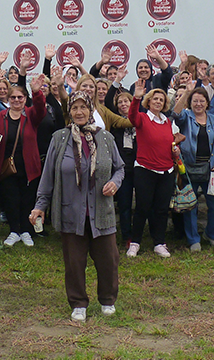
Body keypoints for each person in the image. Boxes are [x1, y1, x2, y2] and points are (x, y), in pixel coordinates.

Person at [30, 92, 125, 322]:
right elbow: (48, 175)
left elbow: (120, 168)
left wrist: (114, 182)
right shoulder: (59, 138)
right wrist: (40, 205)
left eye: (84, 107)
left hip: (101, 211)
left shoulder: (106, 139)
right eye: (75, 108)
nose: (79, 112)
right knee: (74, 262)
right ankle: (78, 302)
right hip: (70, 210)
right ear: (69, 112)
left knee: (108, 261)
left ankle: (107, 300)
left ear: (91, 110)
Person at [127, 81, 179, 258]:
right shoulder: (142, 118)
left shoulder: (167, 122)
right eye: (155, 99)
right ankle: (135, 243)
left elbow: (168, 143)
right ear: (148, 102)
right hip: (145, 170)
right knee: (142, 208)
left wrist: (175, 151)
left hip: (166, 172)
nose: (158, 102)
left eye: (161, 100)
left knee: (162, 209)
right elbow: (132, 116)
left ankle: (159, 243)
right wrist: (136, 97)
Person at [0, 77, 47, 247]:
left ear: (25, 99)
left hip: (28, 167)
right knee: (11, 200)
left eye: (20, 97)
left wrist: (37, 92)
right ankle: (14, 231)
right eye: (13, 98)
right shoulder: (0, 117)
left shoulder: (31, 115)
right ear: (8, 100)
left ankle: (26, 231)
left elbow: (41, 109)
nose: (16, 100)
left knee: (27, 200)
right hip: (7, 167)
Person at [173, 85, 214, 250]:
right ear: (190, 102)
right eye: (195, 101)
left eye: (202, 101)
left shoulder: (212, 118)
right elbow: (175, 114)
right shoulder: (186, 116)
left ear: (207, 103)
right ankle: (193, 239)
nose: (199, 104)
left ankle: (211, 233)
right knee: (190, 205)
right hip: (188, 167)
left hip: (210, 168)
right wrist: (186, 92)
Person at [111, 91, 137, 244]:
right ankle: (127, 236)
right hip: (122, 168)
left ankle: (139, 234)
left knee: (142, 203)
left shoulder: (141, 119)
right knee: (124, 204)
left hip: (140, 166)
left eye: (126, 101)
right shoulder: (115, 124)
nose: (123, 104)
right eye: (120, 102)